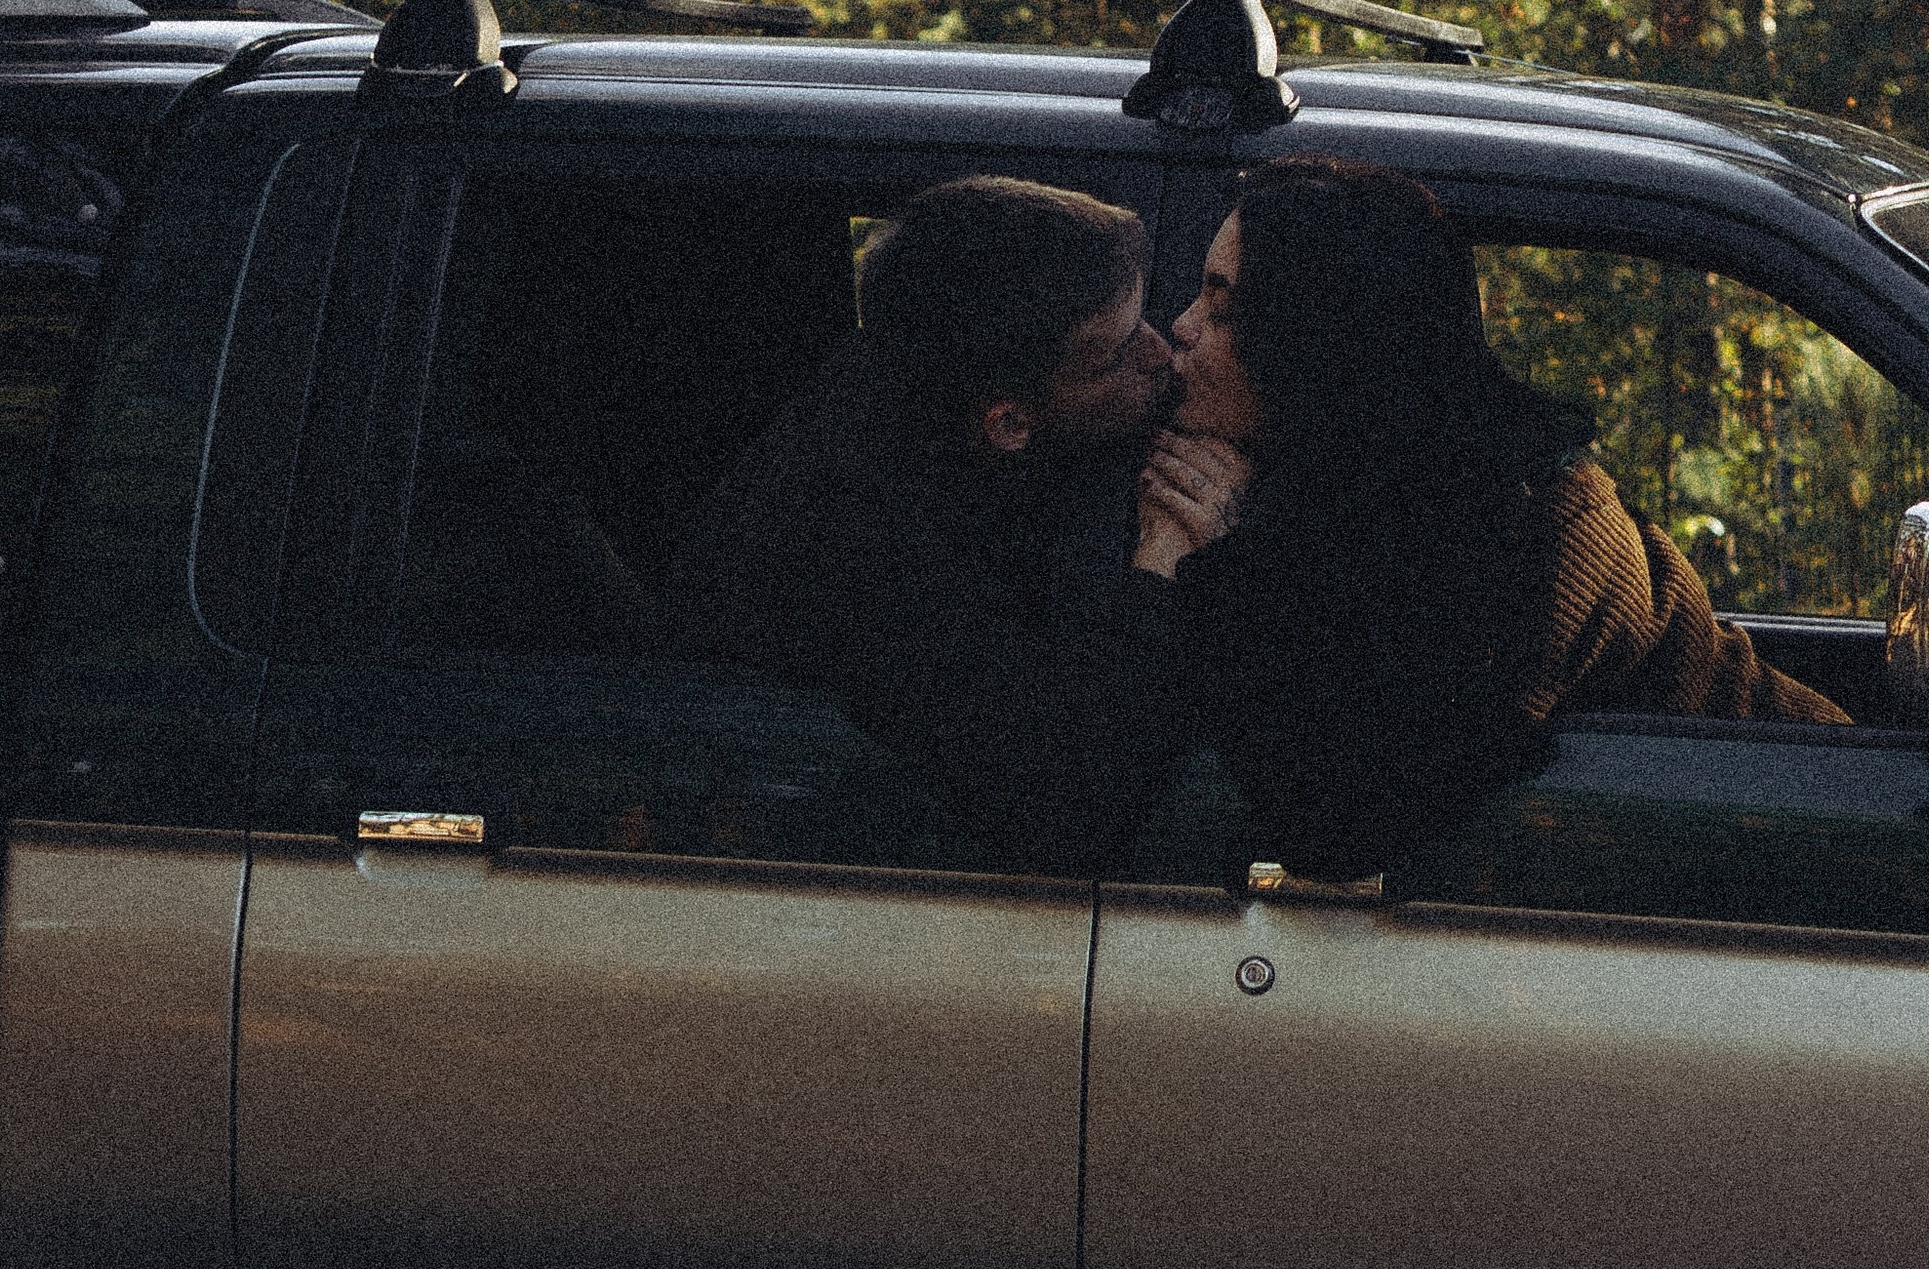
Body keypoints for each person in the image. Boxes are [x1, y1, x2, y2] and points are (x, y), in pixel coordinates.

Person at [1151, 156, 1845, 881]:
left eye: (1224, 311)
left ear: (1321, 344)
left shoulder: (1541, 529)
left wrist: (1225, 563)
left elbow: (1342, 827)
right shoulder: (1318, 474)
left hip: (1818, 834)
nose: (1181, 326)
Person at [672, 174, 1249, 871]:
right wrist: (1162, 564)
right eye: (1117, 354)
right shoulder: (862, 551)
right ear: (1009, 424)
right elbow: (1059, 813)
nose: (1164, 350)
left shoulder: (935, 377)